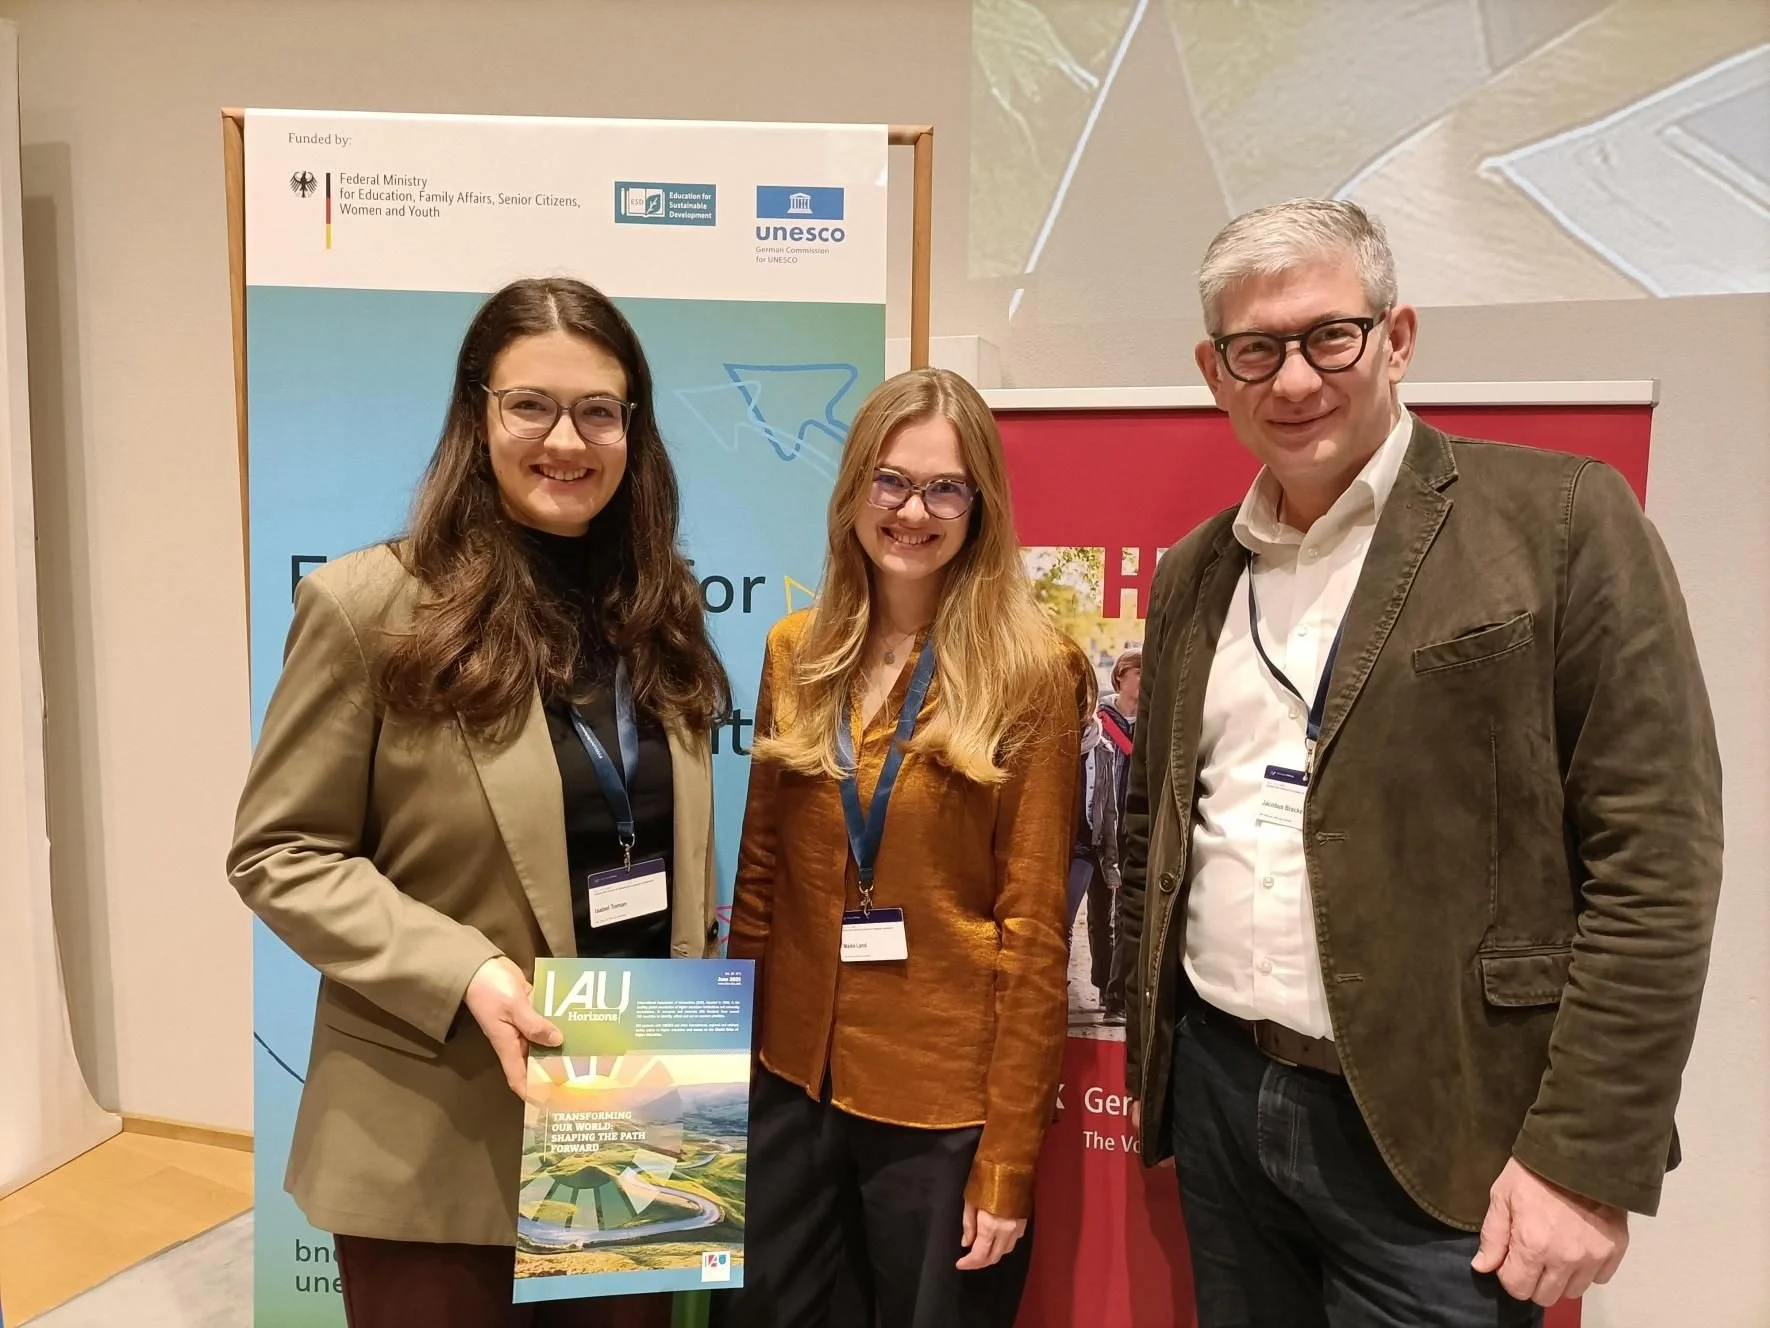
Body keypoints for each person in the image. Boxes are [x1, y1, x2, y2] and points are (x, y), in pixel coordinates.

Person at [1118, 200, 1722, 1326]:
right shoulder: (1195, 574)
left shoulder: (1557, 522)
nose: (1295, 379)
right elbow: (1160, 819)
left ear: (1396, 338)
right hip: (1224, 1100)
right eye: (1258, 348)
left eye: (1328, 335)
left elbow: (1658, 862)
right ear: (1216, 371)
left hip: (1444, 1138)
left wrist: (1585, 1155)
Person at [227, 277, 730, 1328]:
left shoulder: (660, 604)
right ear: (477, 414)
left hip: (629, 1097)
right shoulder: (372, 607)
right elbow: (281, 851)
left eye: (600, 409)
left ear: (632, 428)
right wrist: (469, 971)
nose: (568, 439)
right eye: (530, 405)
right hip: (432, 1127)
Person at [725, 368, 1082, 1328]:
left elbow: (1035, 927)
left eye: (944, 487)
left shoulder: (1033, 674)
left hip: (941, 1106)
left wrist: (1005, 1162)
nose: (912, 510)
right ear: (853, 491)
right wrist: (731, 1086)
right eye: (890, 481)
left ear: (981, 505)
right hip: (790, 1081)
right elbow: (759, 884)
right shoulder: (795, 651)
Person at [1083, 648, 1140, 1023]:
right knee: (1098, 913)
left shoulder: (1152, 719)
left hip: (1133, 828)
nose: (1143, 678)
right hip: (1101, 827)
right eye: (1137, 671)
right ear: (1120, 676)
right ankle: (1103, 982)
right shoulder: (1100, 720)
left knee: (1125, 915)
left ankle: (1117, 996)